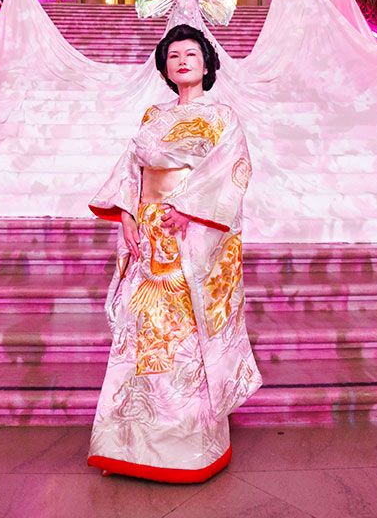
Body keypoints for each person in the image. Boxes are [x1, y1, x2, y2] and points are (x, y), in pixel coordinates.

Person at [87, 24, 260, 483]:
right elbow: (132, 166)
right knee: (141, 329)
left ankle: (186, 447)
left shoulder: (222, 116)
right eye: (174, 56)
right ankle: (126, 442)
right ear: (165, 67)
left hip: (189, 235)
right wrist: (126, 213)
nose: (182, 61)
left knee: (183, 333)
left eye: (191, 54)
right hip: (148, 234)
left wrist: (190, 210)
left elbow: (233, 168)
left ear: (207, 63)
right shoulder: (153, 115)